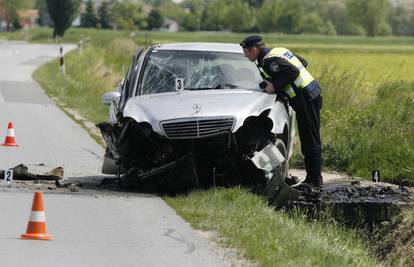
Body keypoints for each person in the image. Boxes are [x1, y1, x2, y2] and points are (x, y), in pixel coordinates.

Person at [240, 35, 323, 188]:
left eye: (246, 52)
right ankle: (314, 179)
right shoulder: (278, 51)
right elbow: (302, 63)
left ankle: (315, 181)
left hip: (305, 99)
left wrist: (274, 86)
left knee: (310, 141)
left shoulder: (268, 62)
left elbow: (293, 72)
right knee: (310, 139)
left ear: (254, 49)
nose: (246, 55)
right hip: (311, 95)